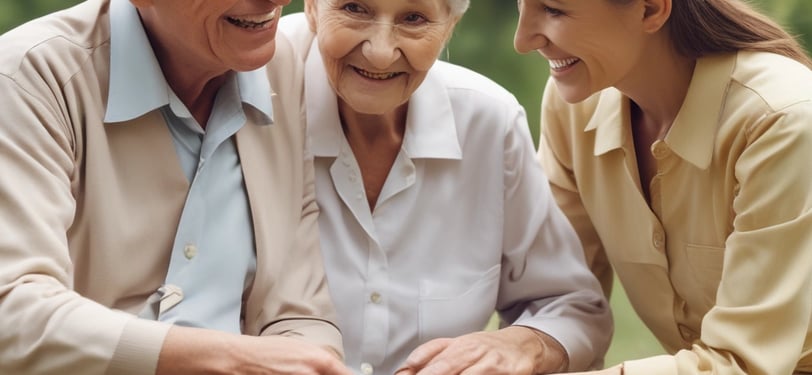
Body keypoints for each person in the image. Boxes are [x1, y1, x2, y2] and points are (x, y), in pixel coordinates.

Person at [0, 0, 353, 374]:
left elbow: (298, 312)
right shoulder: (28, 77)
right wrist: (231, 361)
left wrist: (312, 363)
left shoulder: (279, 67)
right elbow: (12, 310)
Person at [278, 0, 613, 374]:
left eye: (414, 19)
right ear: (312, 8)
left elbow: (572, 307)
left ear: (450, 26)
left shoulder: (489, 123)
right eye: (355, 9)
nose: (381, 52)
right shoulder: (256, 101)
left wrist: (523, 344)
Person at [513, 0, 812, 373]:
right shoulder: (574, 106)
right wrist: (523, 345)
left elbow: (744, 363)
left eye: (553, 10)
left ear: (651, 9)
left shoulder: (782, 120)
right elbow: (561, 295)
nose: (522, 40)